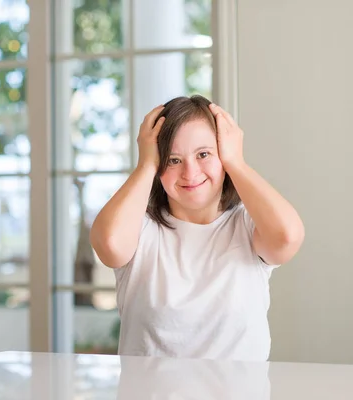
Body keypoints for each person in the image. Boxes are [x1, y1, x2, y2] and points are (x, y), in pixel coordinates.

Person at [90, 95, 304, 362]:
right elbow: (109, 245)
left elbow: (287, 236)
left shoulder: (248, 226)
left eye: (204, 154)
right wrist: (145, 165)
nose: (190, 173)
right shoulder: (141, 229)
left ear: (224, 155)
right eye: (173, 160)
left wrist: (236, 162)